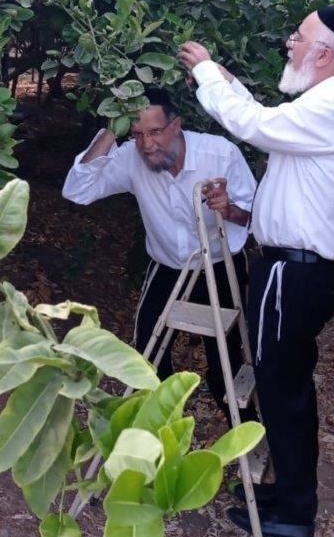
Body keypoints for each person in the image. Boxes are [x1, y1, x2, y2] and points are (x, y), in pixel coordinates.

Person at [178, 5, 334, 537]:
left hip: (294, 275)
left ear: (324, 53)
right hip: (293, 272)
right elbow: (271, 120)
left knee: (282, 391)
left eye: (299, 36)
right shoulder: (324, 105)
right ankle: (286, 495)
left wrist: (209, 73)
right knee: (286, 387)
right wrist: (230, 82)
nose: (290, 42)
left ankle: (294, 514)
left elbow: (255, 125)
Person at [62, 87, 257, 419]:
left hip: (220, 265)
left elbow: (256, 217)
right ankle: (161, 436)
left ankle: (245, 438)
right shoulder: (130, 156)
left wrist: (230, 209)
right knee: (147, 355)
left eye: (154, 132)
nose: (147, 144)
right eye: (136, 133)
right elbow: (77, 190)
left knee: (228, 362)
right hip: (166, 266)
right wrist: (113, 130)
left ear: (176, 125)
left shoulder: (219, 154)